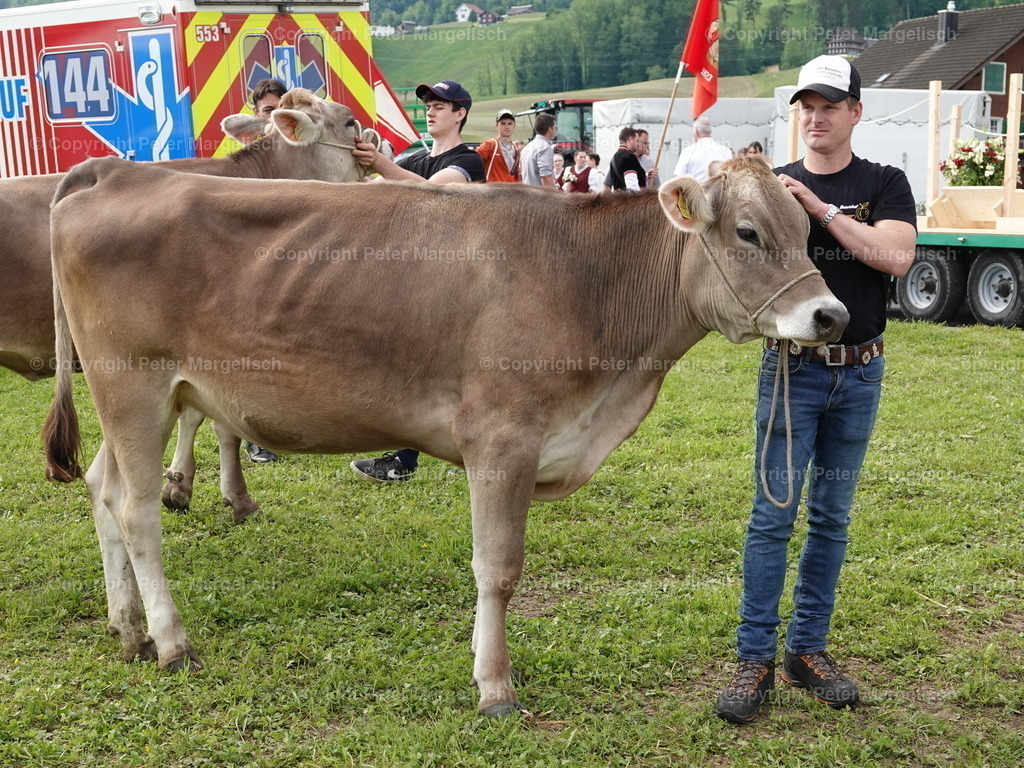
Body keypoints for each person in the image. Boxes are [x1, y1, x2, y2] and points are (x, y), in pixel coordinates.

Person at [715, 55, 917, 724]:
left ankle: (807, 651)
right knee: (772, 517)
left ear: (856, 112)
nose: (816, 115)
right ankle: (754, 660)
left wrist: (821, 209)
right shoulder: (773, 184)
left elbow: (893, 257)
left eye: (830, 104)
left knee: (830, 518)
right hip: (791, 373)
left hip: (860, 370)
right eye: (806, 104)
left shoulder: (884, 183)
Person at [348, 80, 485, 483]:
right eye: (427, 104)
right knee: (421, 366)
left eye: (441, 105)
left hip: (455, 278)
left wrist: (380, 164)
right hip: (415, 278)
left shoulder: (469, 160)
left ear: (460, 114)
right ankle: (406, 458)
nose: (430, 110)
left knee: (443, 369)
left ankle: (413, 458)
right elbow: (369, 193)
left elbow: (429, 195)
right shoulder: (414, 158)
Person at [243, 77, 289, 464]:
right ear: (256, 119)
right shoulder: (241, 170)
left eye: (281, 111)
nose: (274, 119)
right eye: (267, 112)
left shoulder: (302, 164)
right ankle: (255, 434)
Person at [672, 116, 733, 182]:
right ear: (710, 132)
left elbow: (680, 180)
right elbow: (731, 178)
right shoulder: (726, 151)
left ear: (696, 132)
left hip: (695, 191)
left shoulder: (687, 152)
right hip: (720, 191)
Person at [476, 108, 521, 182]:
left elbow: (516, 175)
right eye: (503, 123)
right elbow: (473, 160)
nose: (507, 126)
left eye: (510, 123)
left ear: (514, 126)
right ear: (497, 126)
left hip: (511, 190)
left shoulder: (515, 147)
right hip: (494, 190)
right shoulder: (490, 144)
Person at [604, 127, 647, 192]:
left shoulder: (615, 157)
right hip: (628, 200)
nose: (638, 144)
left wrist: (646, 174)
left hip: (618, 199)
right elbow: (632, 186)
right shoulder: (628, 157)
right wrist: (638, 200)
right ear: (630, 140)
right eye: (637, 141)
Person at [520, 113, 557, 187]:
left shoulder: (527, 147)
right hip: (539, 195)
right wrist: (552, 195)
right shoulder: (545, 147)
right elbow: (546, 176)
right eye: (555, 128)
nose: (556, 130)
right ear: (550, 129)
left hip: (527, 192)